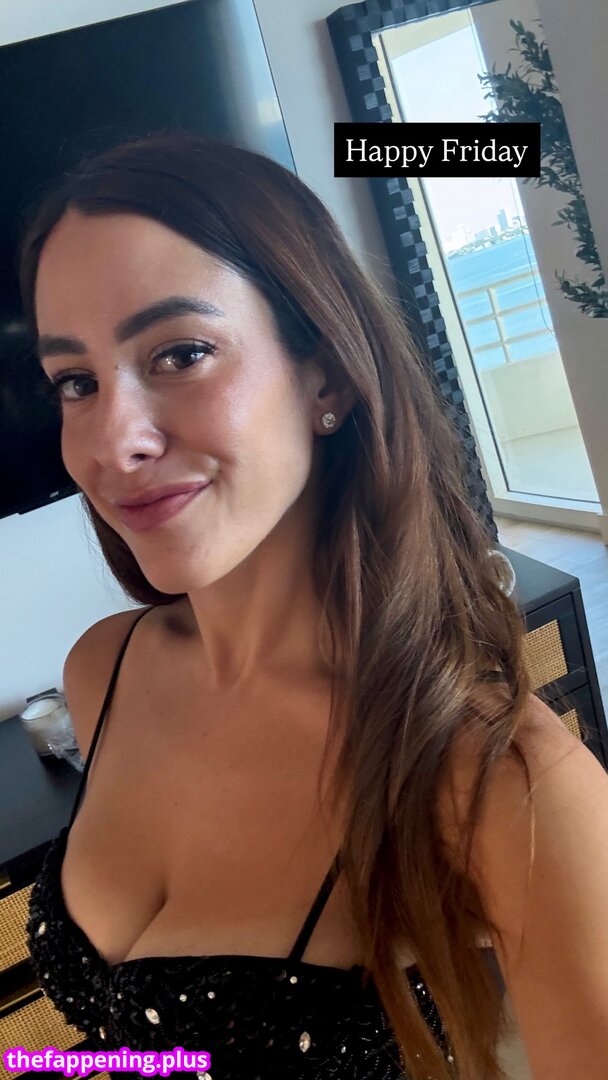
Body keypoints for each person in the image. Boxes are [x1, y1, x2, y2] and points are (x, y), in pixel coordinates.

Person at [21, 133, 608, 1080]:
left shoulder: (503, 783)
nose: (111, 441)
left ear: (325, 376)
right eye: (77, 383)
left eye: (180, 353)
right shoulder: (105, 670)